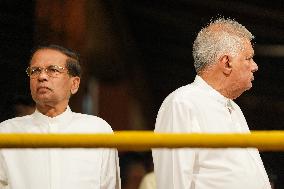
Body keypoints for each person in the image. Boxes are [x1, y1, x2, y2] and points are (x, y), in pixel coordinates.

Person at [152, 18, 271, 189]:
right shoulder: (183, 103)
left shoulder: (234, 108)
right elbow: (173, 182)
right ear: (227, 63)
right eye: (248, 58)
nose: (255, 66)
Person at [0, 45, 120, 189]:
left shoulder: (97, 130)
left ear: (74, 84)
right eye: (35, 71)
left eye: (53, 70)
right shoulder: (7, 132)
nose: (42, 77)